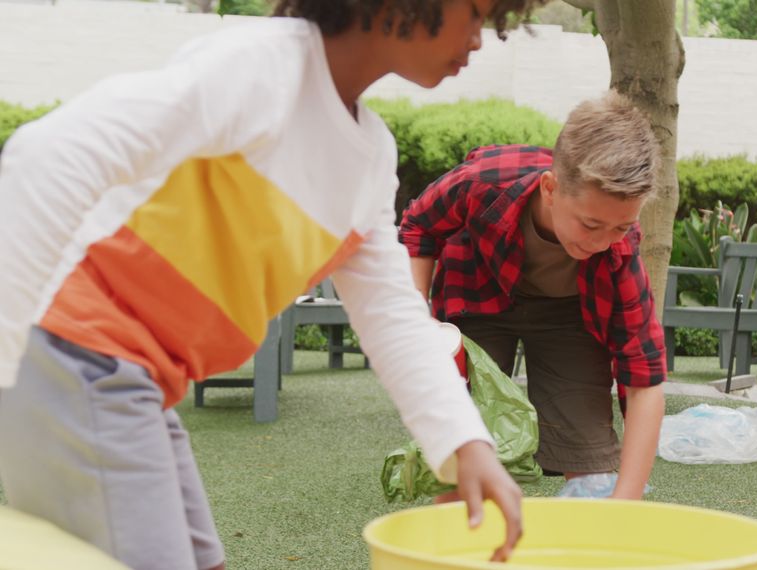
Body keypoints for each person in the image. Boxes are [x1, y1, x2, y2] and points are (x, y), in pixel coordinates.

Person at [0, 1, 548, 568]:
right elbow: (46, 156)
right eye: (477, 14)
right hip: (75, 358)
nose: (482, 40)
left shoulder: (368, 157)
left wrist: (465, 444)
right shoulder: (264, 68)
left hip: (132, 379)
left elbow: (393, 317)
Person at [399, 91, 667, 501]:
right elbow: (418, 224)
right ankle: (455, 540)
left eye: (619, 227)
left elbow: (644, 377)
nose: (602, 242)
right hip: (479, 292)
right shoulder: (483, 183)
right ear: (550, 189)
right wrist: (418, 320)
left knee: (586, 439)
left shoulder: (619, 251)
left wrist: (624, 500)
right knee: (466, 427)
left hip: (569, 314)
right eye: (590, 224)